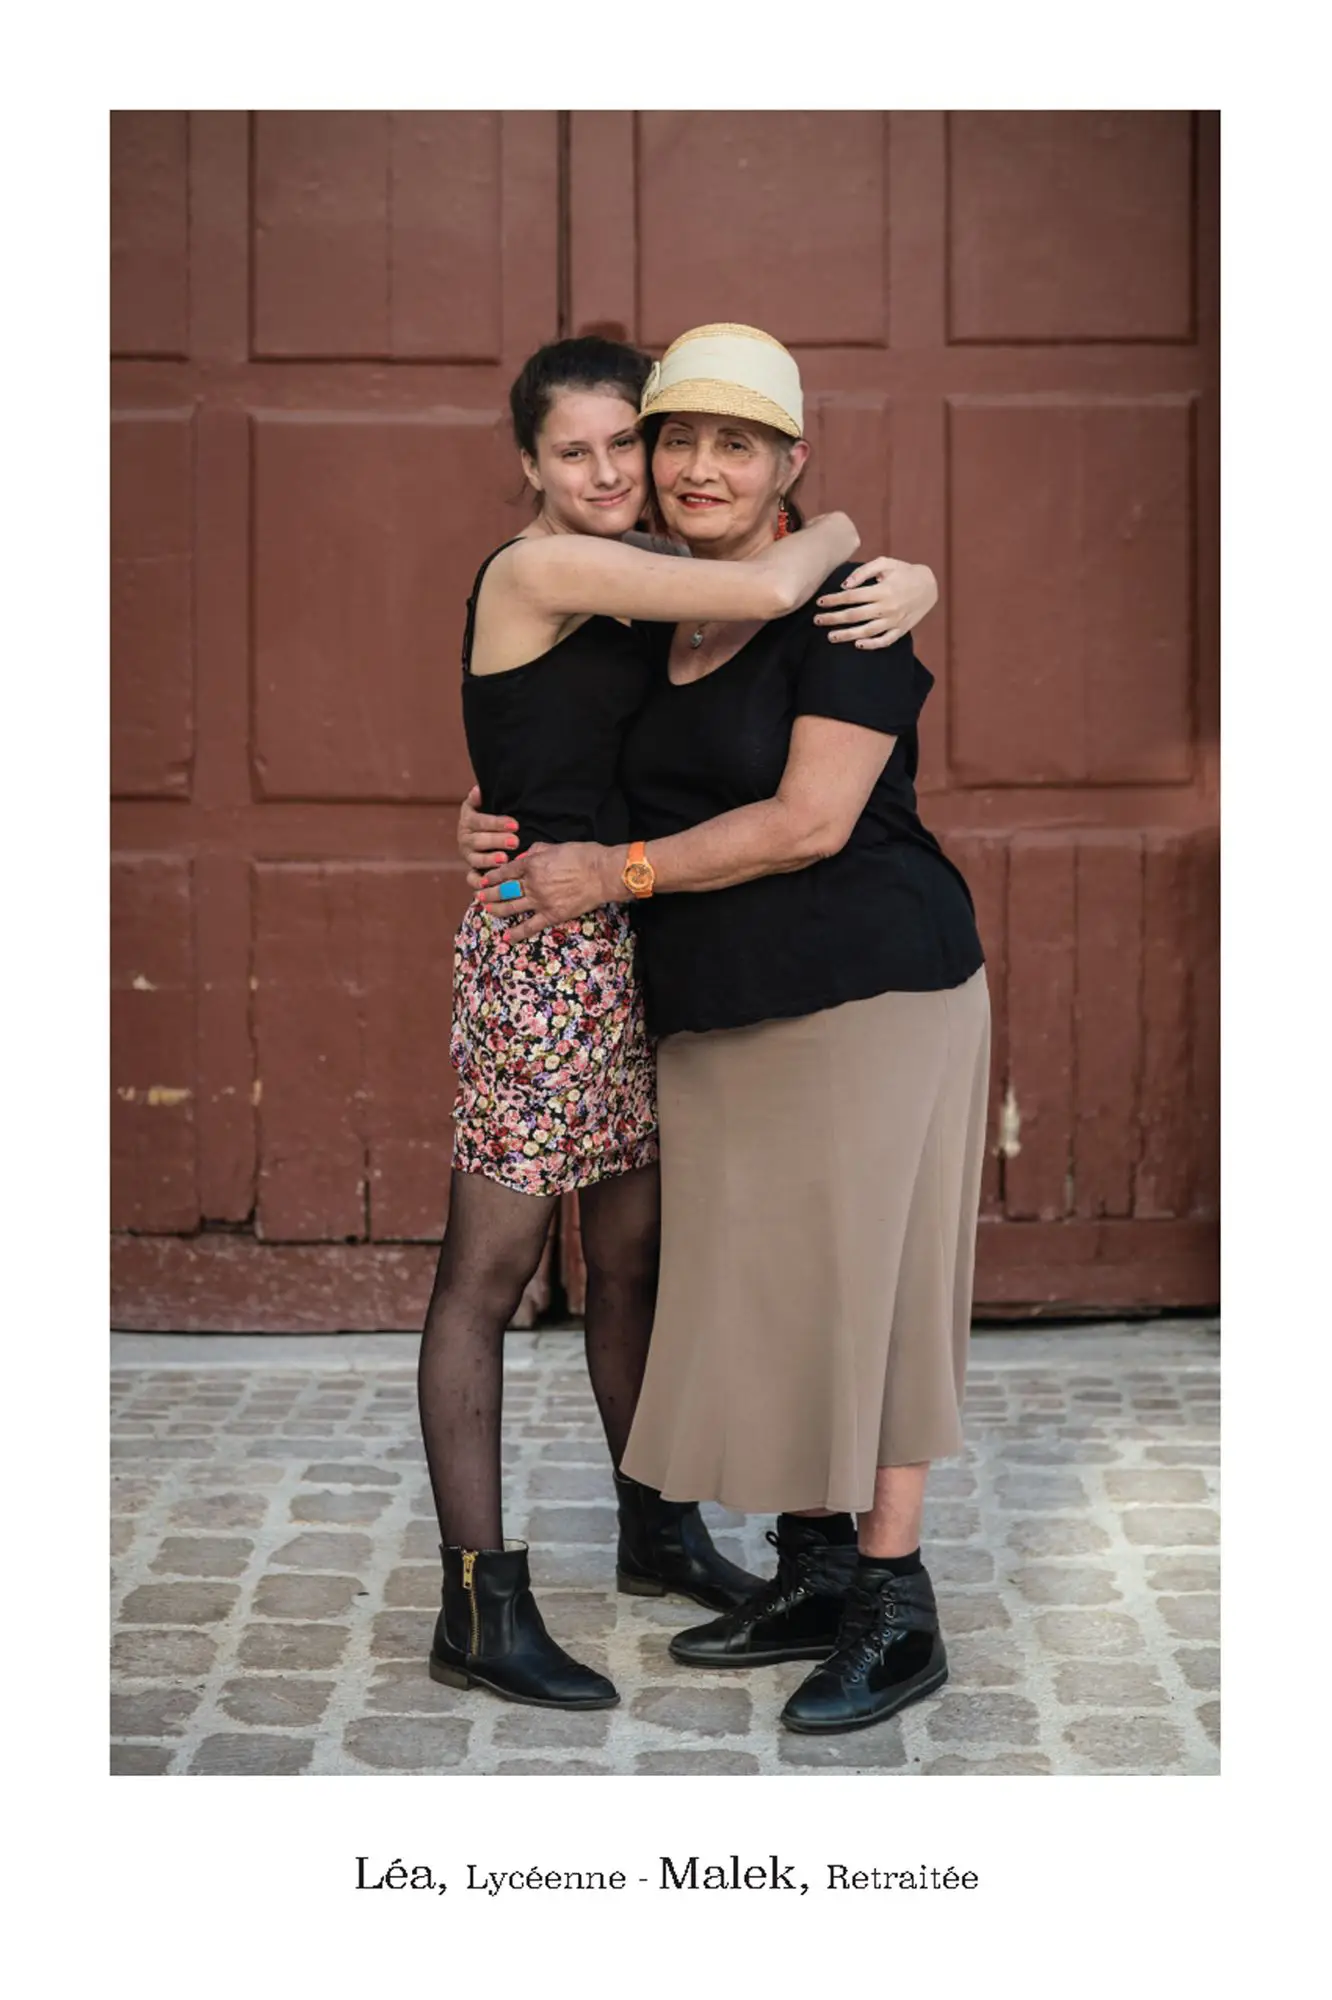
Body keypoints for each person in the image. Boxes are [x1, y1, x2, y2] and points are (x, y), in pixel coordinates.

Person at [469, 323, 989, 1736]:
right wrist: (496, 825)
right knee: (779, 1289)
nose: (700, 467)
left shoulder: (852, 612)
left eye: (737, 444)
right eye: (679, 440)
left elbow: (808, 821)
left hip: (872, 990)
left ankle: (895, 1602)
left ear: (788, 462)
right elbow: (561, 753)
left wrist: (615, 873)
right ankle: (814, 1571)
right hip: (719, 1010)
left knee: (874, 1291)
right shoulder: (655, 615)